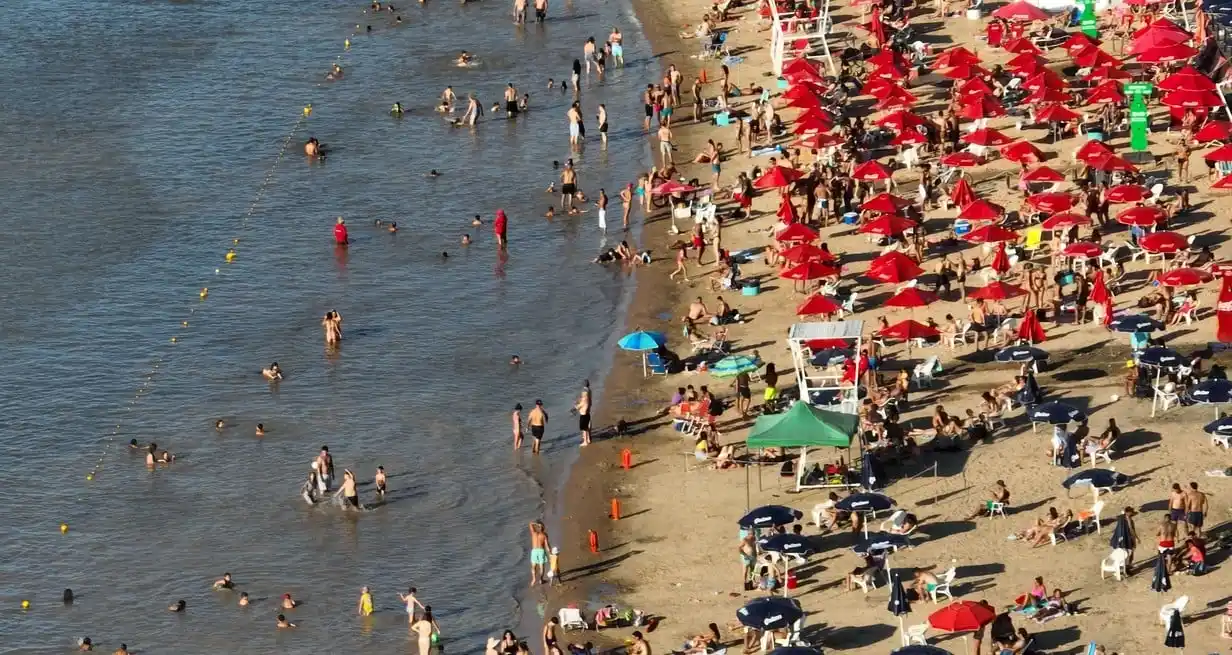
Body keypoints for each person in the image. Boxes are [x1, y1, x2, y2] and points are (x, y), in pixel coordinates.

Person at [529, 521, 552, 585]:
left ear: (537, 527)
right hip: (541, 551)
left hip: (534, 551)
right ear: (543, 528)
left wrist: (536, 523)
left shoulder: (533, 533)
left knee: (533, 566)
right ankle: (541, 580)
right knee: (541, 566)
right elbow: (547, 546)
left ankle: (533, 579)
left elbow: (530, 523)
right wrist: (550, 553)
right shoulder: (544, 535)